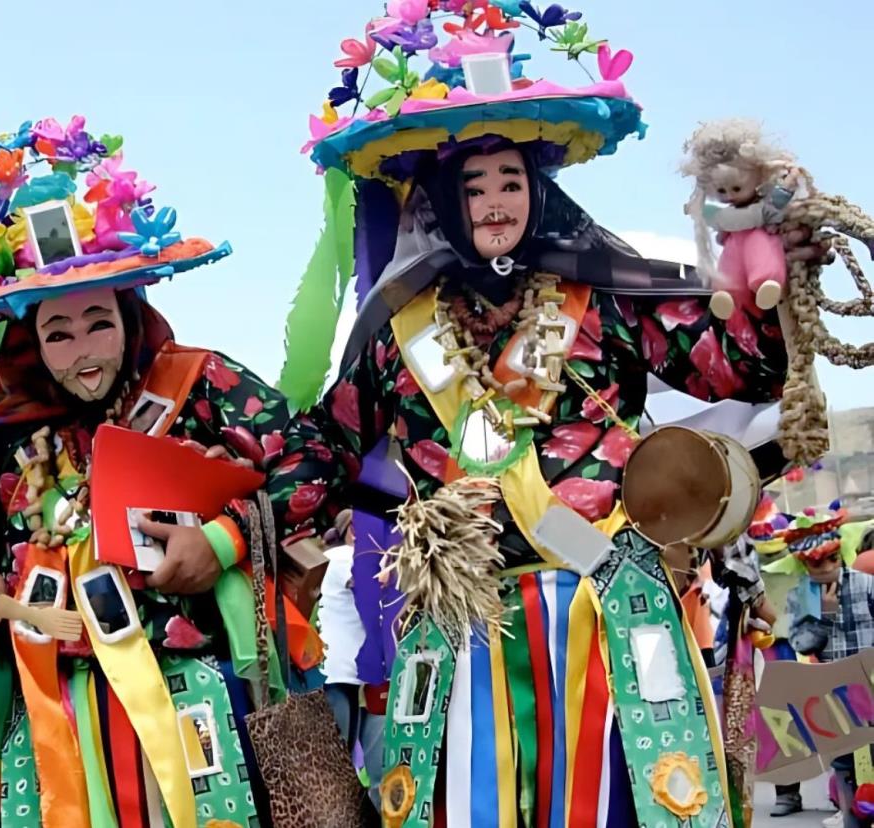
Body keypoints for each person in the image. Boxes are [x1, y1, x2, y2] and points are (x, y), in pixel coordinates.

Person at [285, 6, 833, 826]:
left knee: (625, 799)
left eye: (510, 180)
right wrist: (241, 516)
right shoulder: (398, 334)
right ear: (443, 199)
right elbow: (324, 443)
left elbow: (739, 367)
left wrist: (770, 258)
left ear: (536, 190)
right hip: (463, 614)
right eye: (473, 186)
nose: (495, 199)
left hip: (606, 602)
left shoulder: (604, 299)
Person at [0, 117, 336, 827]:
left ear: (130, 314)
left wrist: (222, 541)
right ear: (27, 340)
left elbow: (311, 460)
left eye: (98, 323)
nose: (83, 352)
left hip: (197, 688)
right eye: (58, 332)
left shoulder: (199, 383)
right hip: (53, 706)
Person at [768, 505, 874, 827]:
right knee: (844, 767)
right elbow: (801, 643)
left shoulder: (866, 585)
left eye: (831, 558)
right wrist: (824, 615)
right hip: (835, 695)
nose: (826, 568)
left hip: (870, 686)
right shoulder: (801, 597)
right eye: (816, 562)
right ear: (804, 564)